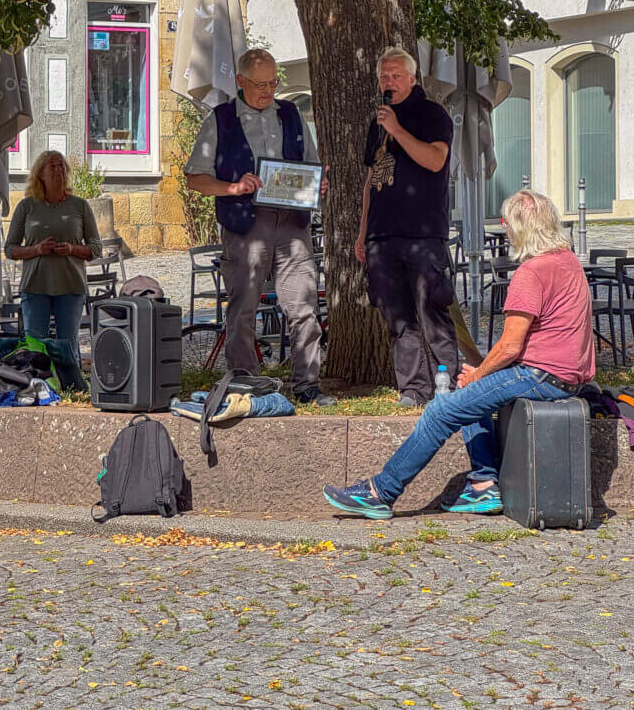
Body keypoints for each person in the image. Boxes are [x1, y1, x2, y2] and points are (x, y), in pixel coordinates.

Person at [325, 190, 593, 520]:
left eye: (506, 222)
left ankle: (381, 492)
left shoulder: (531, 273)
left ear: (520, 227)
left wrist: (480, 373)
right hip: (566, 378)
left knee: (440, 412)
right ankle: (483, 486)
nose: (505, 228)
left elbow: (510, 346)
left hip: (539, 376)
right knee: (468, 394)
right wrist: (477, 378)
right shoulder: (568, 261)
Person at [185, 48, 335, 406]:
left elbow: (312, 163)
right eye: (260, 85)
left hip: (293, 222)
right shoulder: (220, 119)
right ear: (240, 82)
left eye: (273, 83)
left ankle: (307, 384)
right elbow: (195, 178)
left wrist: (317, 183)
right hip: (245, 225)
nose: (269, 91)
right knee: (243, 308)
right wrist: (232, 188)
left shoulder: (291, 113)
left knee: (303, 305)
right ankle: (245, 383)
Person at [356, 46, 457, 407]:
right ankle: (414, 388)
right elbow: (371, 179)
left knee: (432, 309)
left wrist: (396, 129)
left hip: (422, 233)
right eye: (384, 76)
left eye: (396, 76)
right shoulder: (377, 122)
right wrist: (363, 231)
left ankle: (447, 384)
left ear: (412, 79)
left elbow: (435, 160)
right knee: (397, 316)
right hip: (382, 236)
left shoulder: (432, 115)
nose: (389, 82)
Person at [5, 151, 102, 367]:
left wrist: (71, 249)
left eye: (62, 166)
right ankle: (40, 386)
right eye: (52, 167)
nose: (58, 171)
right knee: (35, 343)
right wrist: (37, 249)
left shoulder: (80, 206)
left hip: (71, 285)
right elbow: (10, 249)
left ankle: (71, 386)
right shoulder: (26, 207)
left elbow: (96, 248)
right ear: (40, 174)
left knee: (68, 343)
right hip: (35, 285)